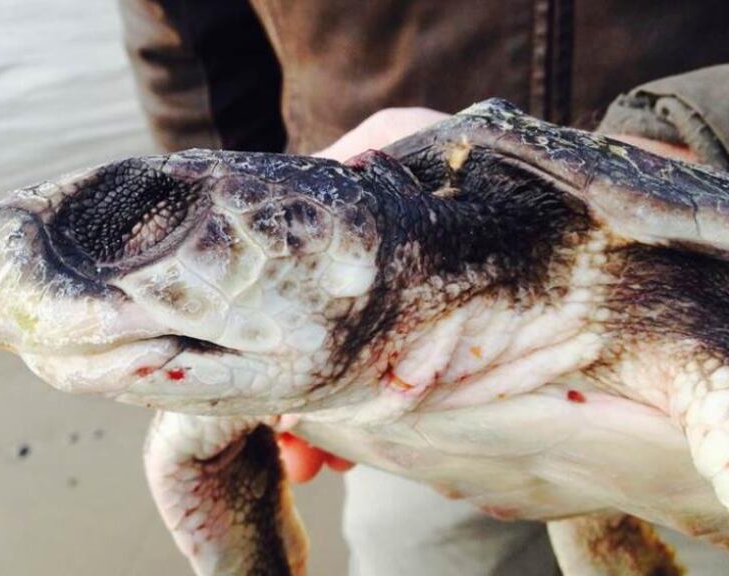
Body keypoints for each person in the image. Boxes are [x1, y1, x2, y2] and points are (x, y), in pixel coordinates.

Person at [119, 1, 729, 573]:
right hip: (363, 316)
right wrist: (238, 265)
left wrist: (693, 135)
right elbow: (191, 42)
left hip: (672, 234)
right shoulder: (292, 309)